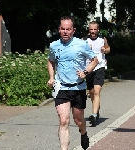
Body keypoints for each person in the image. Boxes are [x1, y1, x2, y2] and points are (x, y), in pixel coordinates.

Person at [47, 16, 98, 150]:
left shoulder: (81, 44)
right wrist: (52, 77)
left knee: (78, 120)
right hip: (61, 87)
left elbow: (94, 60)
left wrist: (86, 72)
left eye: (68, 29)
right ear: (59, 29)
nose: (65, 32)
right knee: (64, 121)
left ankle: (83, 132)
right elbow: (51, 61)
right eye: (62, 29)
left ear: (73, 30)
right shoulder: (54, 45)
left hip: (78, 87)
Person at [83, 21, 110, 125]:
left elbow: (108, 49)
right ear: (89, 30)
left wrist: (105, 50)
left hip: (100, 66)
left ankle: (94, 115)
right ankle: (97, 111)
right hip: (89, 68)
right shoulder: (84, 40)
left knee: (97, 91)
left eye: (95, 29)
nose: (93, 31)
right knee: (92, 92)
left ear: (98, 30)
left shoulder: (102, 39)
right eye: (91, 29)